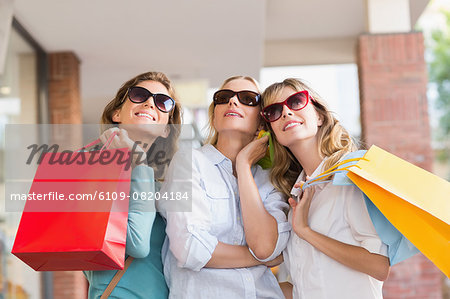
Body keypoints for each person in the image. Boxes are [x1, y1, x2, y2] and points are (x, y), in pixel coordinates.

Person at [158, 76, 290, 299]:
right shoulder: (189, 162)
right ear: (214, 115)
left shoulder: (268, 179)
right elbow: (190, 249)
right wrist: (263, 259)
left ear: (261, 122)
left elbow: (267, 246)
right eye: (224, 97)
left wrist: (244, 166)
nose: (233, 102)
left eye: (248, 99)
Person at [260, 78, 390, 299]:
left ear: (319, 116)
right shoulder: (296, 198)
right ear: (273, 133)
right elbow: (304, 287)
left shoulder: (350, 179)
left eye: (296, 101)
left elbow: (379, 266)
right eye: (273, 111)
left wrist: (306, 232)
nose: (286, 113)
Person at [84, 71, 182, 299]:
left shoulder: (163, 186)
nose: (150, 102)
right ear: (116, 113)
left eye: (163, 102)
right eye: (140, 95)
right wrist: (137, 160)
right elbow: (137, 244)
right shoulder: (91, 177)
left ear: (167, 127)